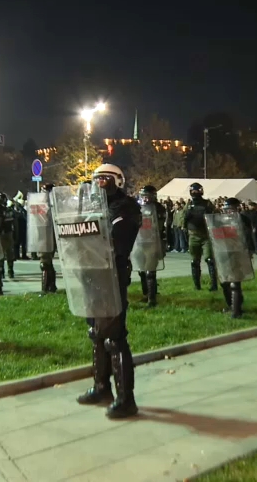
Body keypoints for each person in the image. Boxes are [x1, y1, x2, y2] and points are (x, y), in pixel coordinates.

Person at [75, 164, 142, 419]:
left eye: (105, 179)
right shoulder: (92, 206)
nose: (100, 183)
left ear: (118, 180)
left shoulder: (126, 207)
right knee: (95, 333)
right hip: (90, 272)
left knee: (114, 337)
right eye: (97, 179)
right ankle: (102, 388)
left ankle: (126, 399)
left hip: (112, 274)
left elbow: (118, 241)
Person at [219, 197, 255, 318]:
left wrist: (249, 250)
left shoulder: (242, 219)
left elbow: (247, 236)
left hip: (238, 251)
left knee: (235, 281)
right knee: (224, 281)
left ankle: (236, 310)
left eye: (230, 209)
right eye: (226, 209)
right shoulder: (222, 220)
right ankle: (232, 304)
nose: (228, 211)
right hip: (225, 251)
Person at [136, 185, 166, 306]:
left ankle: (152, 299)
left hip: (153, 242)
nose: (145, 199)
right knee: (141, 271)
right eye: (144, 196)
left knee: (150, 271)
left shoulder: (158, 209)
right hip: (140, 241)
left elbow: (159, 226)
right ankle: (146, 294)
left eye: (147, 196)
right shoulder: (138, 207)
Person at [183, 182, 218, 291]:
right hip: (193, 235)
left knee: (209, 260)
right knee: (194, 261)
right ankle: (197, 285)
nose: (195, 193)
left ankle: (214, 285)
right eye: (193, 191)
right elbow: (183, 219)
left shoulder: (207, 204)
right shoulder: (188, 205)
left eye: (196, 190)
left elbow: (215, 216)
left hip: (206, 235)